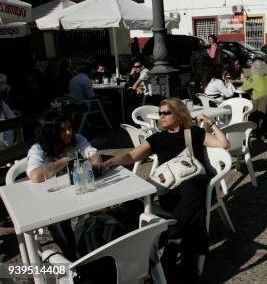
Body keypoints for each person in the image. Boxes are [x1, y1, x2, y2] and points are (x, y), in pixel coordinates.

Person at [102, 98, 229, 279]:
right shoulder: (157, 138)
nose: (161, 117)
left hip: (194, 186)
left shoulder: (193, 132)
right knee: (132, 205)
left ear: (178, 115)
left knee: (192, 188)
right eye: (160, 113)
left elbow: (224, 144)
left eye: (166, 113)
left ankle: (173, 249)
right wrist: (109, 162)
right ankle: (174, 252)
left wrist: (211, 123)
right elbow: (132, 155)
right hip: (169, 192)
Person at [26, 110, 102, 260]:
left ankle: (95, 249)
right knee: (57, 222)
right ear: (50, 133)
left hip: (78, 191)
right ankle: (73, 259)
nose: (68, 132)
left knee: (101, 207)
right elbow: (35, 176)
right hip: (54, 198)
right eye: (62, 130)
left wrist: (94, 163)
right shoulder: (38, 149)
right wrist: (65, 161)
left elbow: (94, 155)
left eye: (69, 127)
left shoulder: (76, 138)